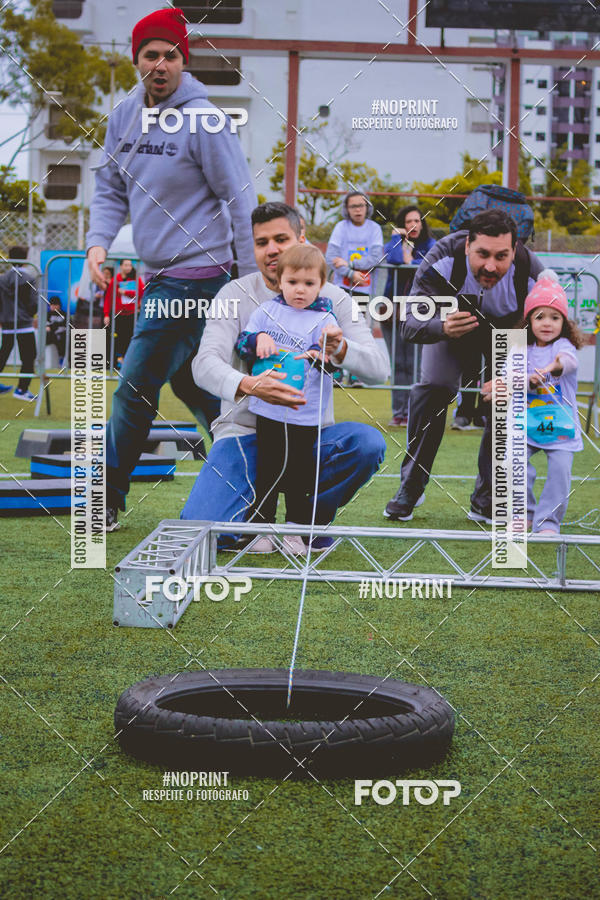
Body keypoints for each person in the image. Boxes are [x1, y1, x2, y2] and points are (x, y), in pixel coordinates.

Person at [86, 6, 257, 531]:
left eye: (171, 55)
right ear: (135, 59)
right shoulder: (123, 117)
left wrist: (252, 282)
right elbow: (110, 189)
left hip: (197, 279)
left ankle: (105, 500)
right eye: (150, 54)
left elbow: (240, 198)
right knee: (196, 387)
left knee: (134, 388)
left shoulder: (206, 120)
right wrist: (97, 244)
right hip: (159, 276)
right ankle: (251, 480)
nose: (160, 64)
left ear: (184, 60)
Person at [182, 201, 389, 552]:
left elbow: (378, 370)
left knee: (366, 444)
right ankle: (251, 522)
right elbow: (203, 364)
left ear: (301, 238)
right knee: (200, 534)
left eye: (281, 239)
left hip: (308, 435)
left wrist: (340, 349)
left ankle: (307, 523)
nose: (272, 250)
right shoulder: (233, 294)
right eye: (262, 242)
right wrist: (249, 385)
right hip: (245, 433)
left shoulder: (335, 298)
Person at [384, 209, 544, 523]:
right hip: (452, 327)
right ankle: (411, 486)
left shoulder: (530, 270)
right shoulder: (442, 257)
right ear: (467, 245)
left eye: (501, 256)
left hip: (508, 332)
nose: (491, 266)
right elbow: (409, 323)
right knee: (434, 388)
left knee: (504, 400)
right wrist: (441, 326)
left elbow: (554, 327)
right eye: (483, 254)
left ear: (514, 251)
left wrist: (522, 374)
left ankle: (487, 497)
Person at [234, 244, 340, 555]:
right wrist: (258, 338)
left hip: (305, 414)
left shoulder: (325, 319)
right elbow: (242, 344)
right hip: (267, 409)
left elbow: (334, 363)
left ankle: (295, 531)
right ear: (280, 280)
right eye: (292, 282)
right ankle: (262, 528)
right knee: (267, 469)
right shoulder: (266, 312)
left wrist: (320, 355)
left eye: (309, 283)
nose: (300, 290)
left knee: (300, 475)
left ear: (321, 284)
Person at [498, 276, 583, 534]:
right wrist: (528, 380)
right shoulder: (519, 349)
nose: (547, 323)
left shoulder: (564, 346)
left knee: (560, 472)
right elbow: (508, 377)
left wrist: (549, 369)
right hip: (525, 424)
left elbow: (568, 362)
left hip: (561, 426)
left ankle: (548, 522)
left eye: (555, 317)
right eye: (540, 316)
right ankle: (522, 514)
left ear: (564, 323)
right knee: (511, 462)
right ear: (529, 321)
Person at [381, 206, 435, 426]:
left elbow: (428, 266)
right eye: (408, 221)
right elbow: (393, 260)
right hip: (391, 312)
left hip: (419, 311)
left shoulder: (430, 245)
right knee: (398, 363)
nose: (413, 225)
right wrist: (397, 238)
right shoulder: (394, 243)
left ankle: (414, 412)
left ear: (423, 223)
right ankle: (399, 412)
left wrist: (408, 262)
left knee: (415, 364)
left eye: (417, 220)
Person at [326, 192, 384, 295]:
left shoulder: (375, 228)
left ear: (367, 207)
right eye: (353, 206)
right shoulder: (340, 227)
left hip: (366, 288)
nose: (357, 209)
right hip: (341, 287)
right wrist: (350, 273)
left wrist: (350, 264)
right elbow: (331, 257)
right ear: (347, 209)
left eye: (361, 205)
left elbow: (377, 257)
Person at [0, 245, 38, 401]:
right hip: (24, 323)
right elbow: (33, 303)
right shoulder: (29, 278)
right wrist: (29, 314)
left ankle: (21, 389)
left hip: (7, 322)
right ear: (25, 259)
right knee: (29, 356)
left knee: (3, 354)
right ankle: (22, 389)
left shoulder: (2, 279)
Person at [103, 259, 145, 365]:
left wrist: (125, 292)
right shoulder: (115, 280)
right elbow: (108, 298)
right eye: (125, 265)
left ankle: (128, 361)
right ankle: (115, 360)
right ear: (121, 266)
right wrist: (106, 314)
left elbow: (141, 293)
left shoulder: (136, 279)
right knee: (117, 338)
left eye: (130, 265)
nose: (128, 267)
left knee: (130, 337)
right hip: (118, 314)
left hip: (132, 314)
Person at [46, 296, 66, 364]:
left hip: (62, 335)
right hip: (51, 335)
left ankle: (62, 358)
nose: (53, 307)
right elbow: (46, 325)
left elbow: (68, 325)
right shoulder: (48, 314)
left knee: (63, 338)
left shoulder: (64, 314)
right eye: (51, 305)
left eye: (55, 305)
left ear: (59, 305)